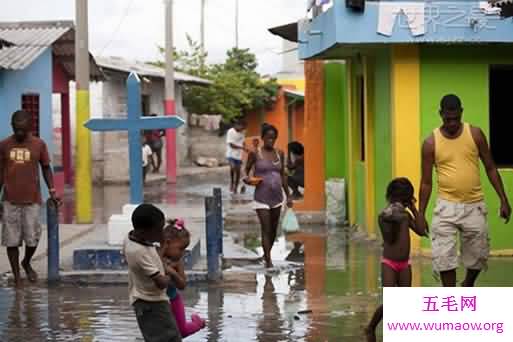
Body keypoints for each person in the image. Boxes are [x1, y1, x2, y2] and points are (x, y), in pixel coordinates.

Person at [418, 94, 511, 287]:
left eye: (455, 119)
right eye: (447, 119)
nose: (451, 123)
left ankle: (467, 285)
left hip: (474, 206)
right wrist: (420, 213)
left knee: (479, 254)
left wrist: (503, 199)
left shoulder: (475, 134)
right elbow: (426, 182)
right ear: (440, 114)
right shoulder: (430, 143)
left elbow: (490, 167)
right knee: (444, 257)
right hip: (445, 207)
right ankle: (451, 296)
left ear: (461, 112)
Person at [0, 110, 60, 287]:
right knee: (11, 240)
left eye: (22, 129)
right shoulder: (4, 145)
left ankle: (26, 262)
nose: (19, 132)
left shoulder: (39, 144)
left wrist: (52, 190)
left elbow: (46, 168)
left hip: (32, 199)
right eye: (16, 129)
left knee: (32, 238)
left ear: (29, 127)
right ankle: (17, 278)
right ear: (12, 127)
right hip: (10, 199)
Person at [365, 178, 427, 342]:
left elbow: (422, 230)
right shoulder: (388, 214)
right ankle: (371, 327)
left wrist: (414, 209)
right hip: (389, 264)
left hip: (404, 264)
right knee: (391, 301)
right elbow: (388, 236)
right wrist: (396, 218)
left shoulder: (405, 215)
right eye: (408, 199)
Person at [123, 204, 182, 342]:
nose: (162, 233)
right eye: (158, 230)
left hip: (146, 300)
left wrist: (160, 254)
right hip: (151, 304)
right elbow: (161, 283)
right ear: (145, 232)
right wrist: (171, 275)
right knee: (169, 338)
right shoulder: (138, 251)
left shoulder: (130, 238)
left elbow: (150, 260)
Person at [244, 123, 293, 268]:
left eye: (273, 138)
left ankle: (266, 254)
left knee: (273, 230)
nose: (271, 140)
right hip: (261, 197)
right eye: (268, 138)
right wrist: (247, 179)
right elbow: (246, 171)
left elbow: (283, 175)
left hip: (277, 197)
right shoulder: (255, 153)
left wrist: (288, 195)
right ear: (263, 137)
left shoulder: (280, 153)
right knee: (265, 228)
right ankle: (269, 261)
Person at [160, 218, 206, 338]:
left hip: (173, 299)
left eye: (184, 249)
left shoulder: (177, 262)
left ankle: (198, 323)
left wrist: (173, 273)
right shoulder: (156, 256)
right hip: (158, 302)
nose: (183, 252)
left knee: (182, 331)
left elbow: (183, 285)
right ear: (167, 243)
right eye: (180, 248)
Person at [226, 119, 247, 194]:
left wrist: (245, 148)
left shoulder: (242, 133)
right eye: (242, 127)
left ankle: (236, 187)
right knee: (233, 167)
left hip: (238, 156)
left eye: (244, 128)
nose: (243, 129)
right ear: (237, 125)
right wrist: (242, 148)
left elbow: (243, 142)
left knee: (238, 171)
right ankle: (232, 182)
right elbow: (231, 145)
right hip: (230, 154)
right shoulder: (231, 131)